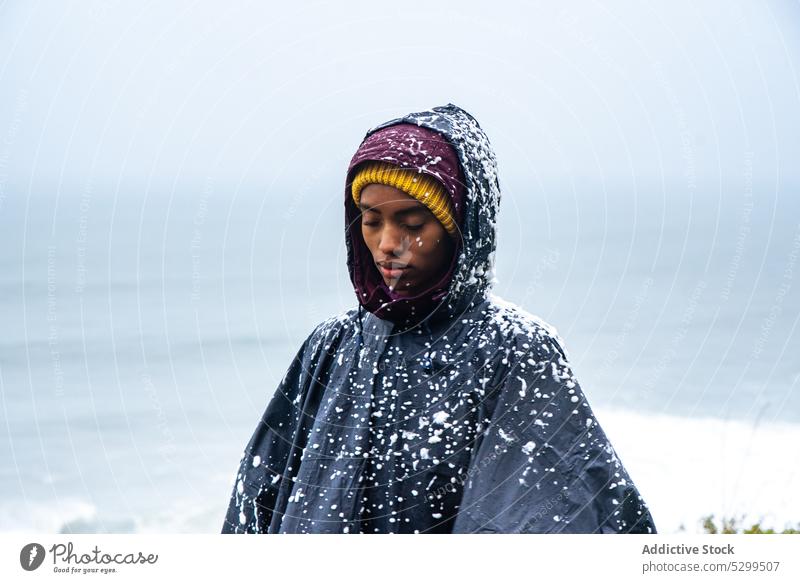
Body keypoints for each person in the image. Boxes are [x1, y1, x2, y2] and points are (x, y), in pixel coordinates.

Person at [221, 103, 657, 534]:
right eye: (371, 221)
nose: (388, 244)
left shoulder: (515, 350)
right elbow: (258, 499)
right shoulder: (332, 346)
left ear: (461, 230)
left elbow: (553, 511)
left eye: (412, 222)